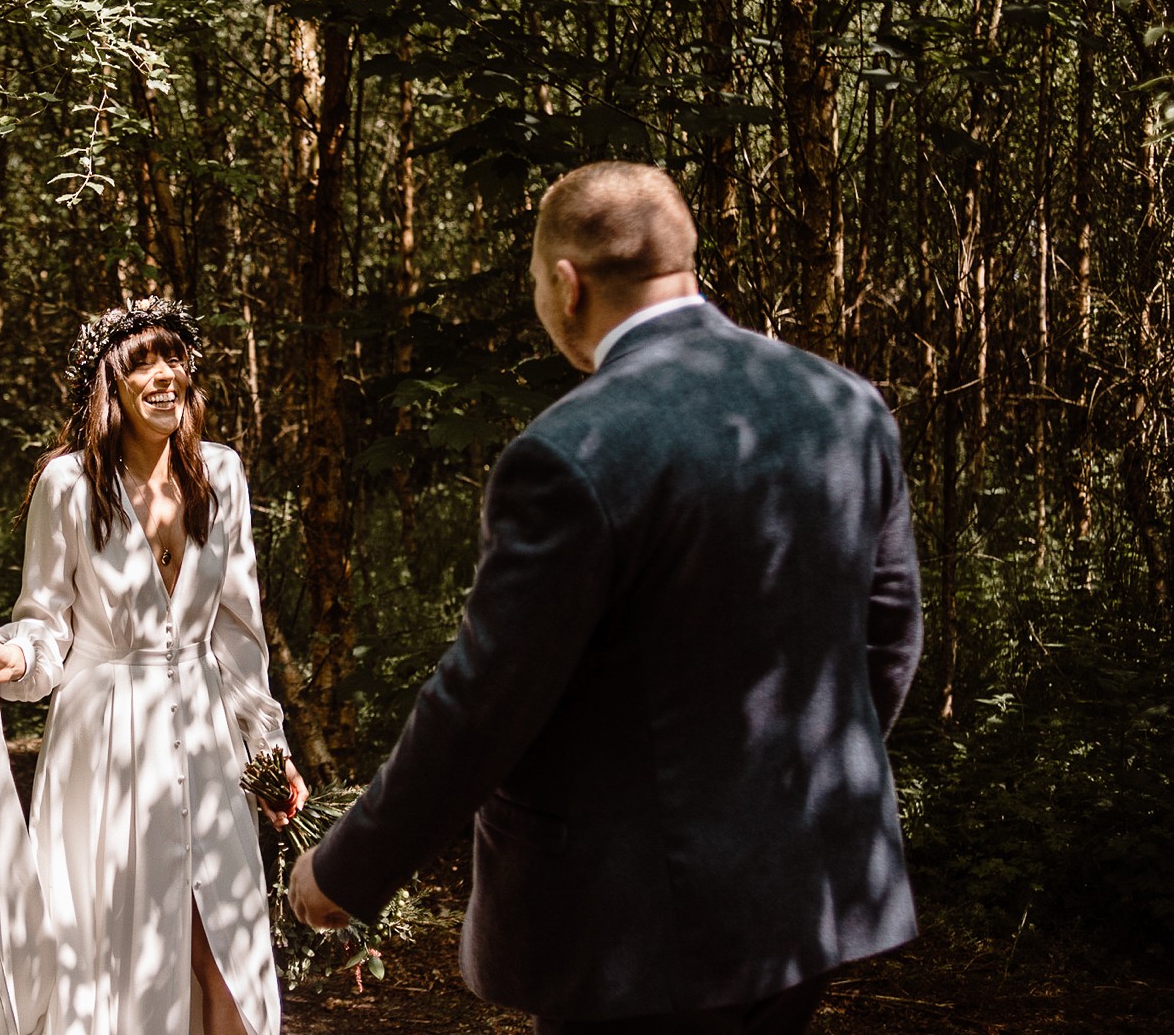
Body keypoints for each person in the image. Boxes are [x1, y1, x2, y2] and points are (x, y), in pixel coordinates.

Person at [288, 161, 922, 1034]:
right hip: (806, 895)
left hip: (630, 929)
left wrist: (348, 867)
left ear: (565, 282)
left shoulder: (572, 451)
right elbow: (888, 639)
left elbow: (486, 702)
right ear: (684, 261)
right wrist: (789, 803)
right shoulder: (846, 405)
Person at [0, 297, 307, 1035]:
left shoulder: (223, 475)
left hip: (207, 742)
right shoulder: (68, 486)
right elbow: (46, 619)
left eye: (174, 356)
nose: (164, 373)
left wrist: (269, 751)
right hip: (103, 747)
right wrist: (13, 656)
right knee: (112, 948)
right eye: (142, 360)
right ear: (108, 384)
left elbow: (239, 636)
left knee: (225, 953)